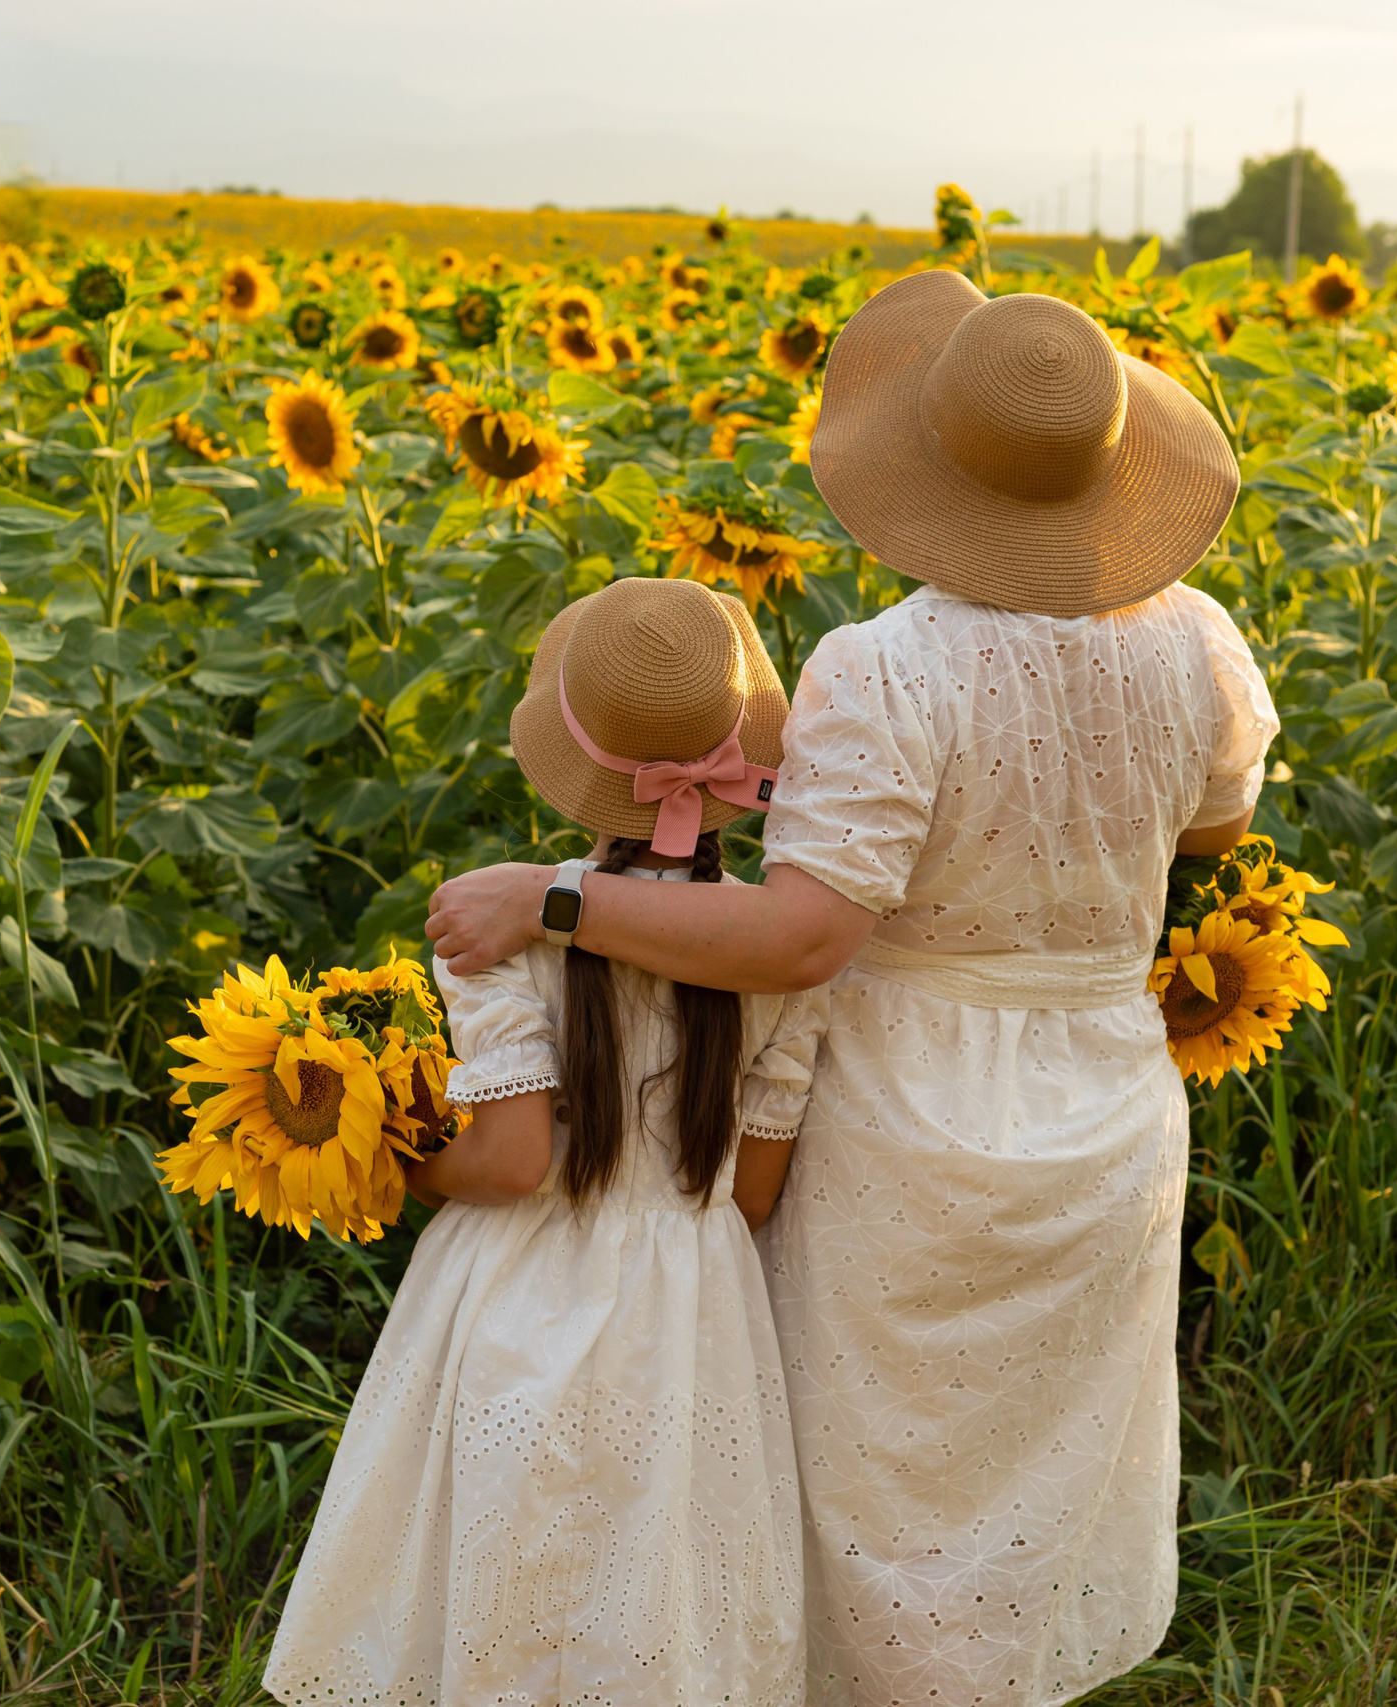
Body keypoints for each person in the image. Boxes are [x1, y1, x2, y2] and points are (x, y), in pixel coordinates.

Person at [428, 272, 1277, 1707]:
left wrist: (555, 895)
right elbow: (1217, 825)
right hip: (1106, 1085)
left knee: (871, 1474)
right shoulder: (1198, 636)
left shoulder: (889, 669)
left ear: (934, 468)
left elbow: (805, 936)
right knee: (1037, 1452)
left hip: (912, 1095)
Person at [266, 576, 827, 1707]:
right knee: (666, 1566)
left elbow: (516, 1159)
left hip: (525, 1281)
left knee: (512, 1550)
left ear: (574, 771)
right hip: (694, 1296)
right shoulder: (777, 953)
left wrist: (400, 1166)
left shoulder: (504, 932)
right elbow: (755, 1194)